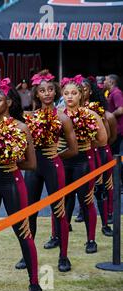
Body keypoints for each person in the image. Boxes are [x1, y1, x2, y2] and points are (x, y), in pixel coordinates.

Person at [0, 78, 41, 291]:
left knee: (23, 233)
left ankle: (34, 283)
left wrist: (10, 163)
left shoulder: (22, 127)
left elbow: (31, 164)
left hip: (12, 183)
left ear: (10, 102)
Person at [21, 70, 77, 272]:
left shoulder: (62, 117)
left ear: (55, 92)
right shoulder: (29, 118)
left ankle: (63, 257)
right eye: (42, 90)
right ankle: (26, 255)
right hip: (33, 169)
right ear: (36, 93)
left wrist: (55, 156)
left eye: (50, 89)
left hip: (54, 166)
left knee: (59, 211)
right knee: (30, 212)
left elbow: (73, 149)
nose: (46, 93)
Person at [57, 75, 107, 254]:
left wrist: (85, 144)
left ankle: (91, 240)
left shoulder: (90, 115)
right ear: (62, 94)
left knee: (86, 201)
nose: (70, 96)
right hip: (62, 162)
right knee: (64, 201)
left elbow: (102, 140)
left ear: (81, 95)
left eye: (74, 93)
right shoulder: (57, 114)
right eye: (66, 93)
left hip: (83, 163)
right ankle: (60, 241)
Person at [82, 77, 117, 236]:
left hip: (100, 152)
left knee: (103, 187)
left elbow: (109, 137)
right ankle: (82, 215)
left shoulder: (100, 112)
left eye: (84, 89)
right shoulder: (68, 111)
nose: (81, 93)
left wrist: (99, 146)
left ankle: (107, 218)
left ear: (91, 91)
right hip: (81, 155)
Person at [103, 74, 123, 155]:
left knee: (116, 154)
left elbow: (121, 110)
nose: (104, 82)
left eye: (105, 80)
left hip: (118, 130)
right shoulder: (110, 93)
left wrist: (110, 116)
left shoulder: (116, 93)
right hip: (114, 129)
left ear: (111, 82)